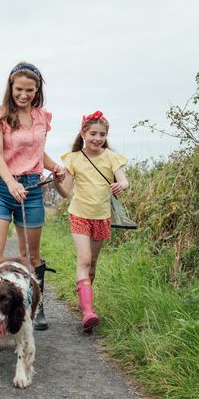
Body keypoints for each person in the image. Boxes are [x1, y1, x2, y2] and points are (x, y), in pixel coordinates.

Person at [0, 62, 64, 337]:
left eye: (29, 90)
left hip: (31, 187)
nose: (24, 94)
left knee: (29, 256)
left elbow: (36, 152)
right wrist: (10, 182)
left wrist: (55, 166)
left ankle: (35, 305)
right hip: (0, 186)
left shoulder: (43, 117)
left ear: (37, 90)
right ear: (10, 87)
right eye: (19, 89)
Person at [53, 110, 129, 332]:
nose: (97, 138)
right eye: (93, 133)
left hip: (102, 217)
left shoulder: (111, 157)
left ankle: (84, 300)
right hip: (79, 214)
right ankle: (88, 312)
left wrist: (120, 185)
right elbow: (66, 192)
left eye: (102, 134)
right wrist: (57, 182)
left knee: (92, 263)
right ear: (83, 133)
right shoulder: (73, 159)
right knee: (84, 259)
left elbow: (124, 181)